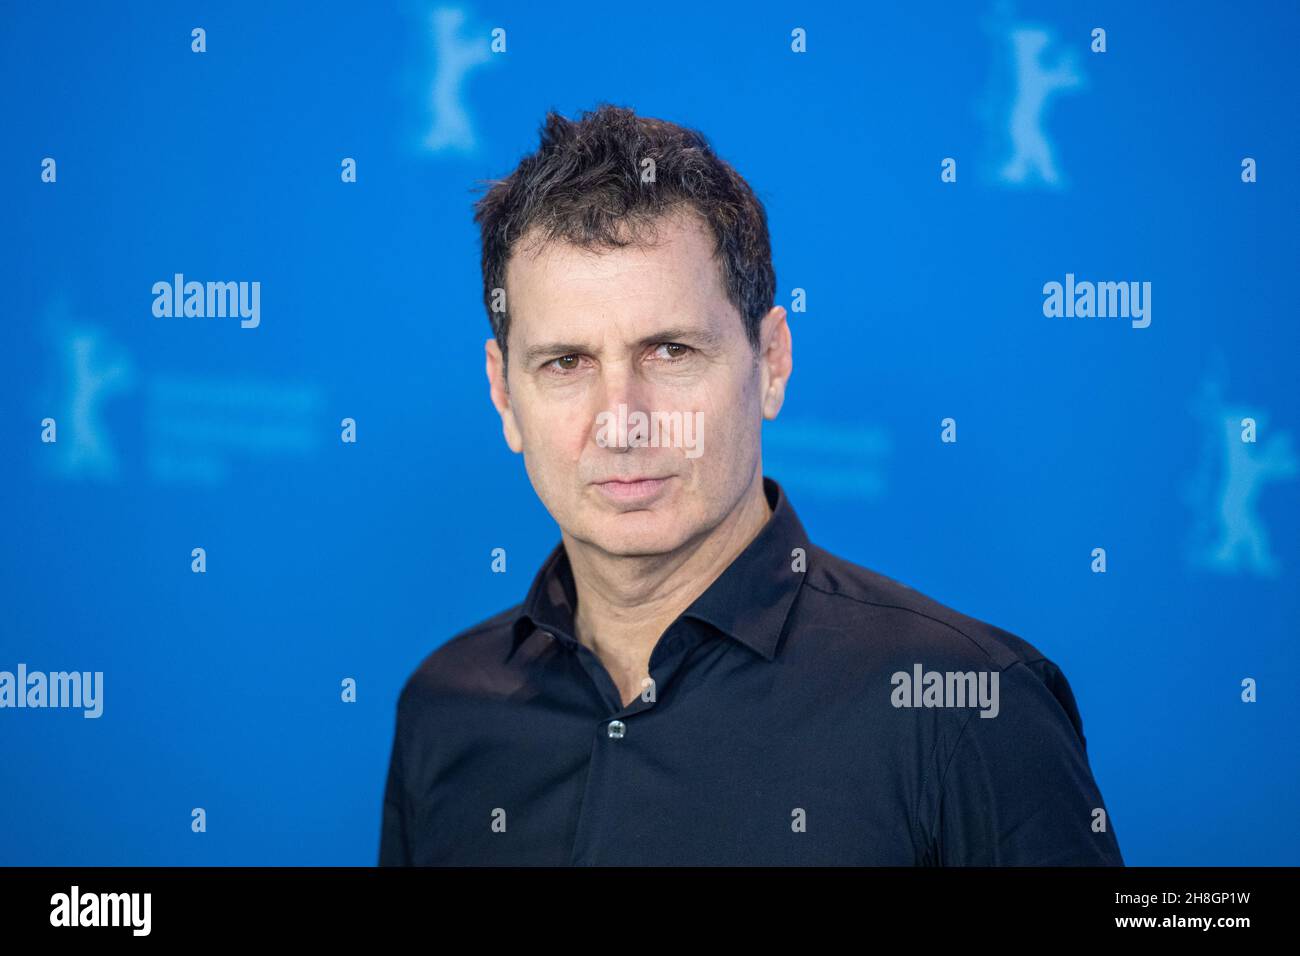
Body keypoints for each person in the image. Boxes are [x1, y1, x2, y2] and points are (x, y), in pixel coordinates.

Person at [379, 104, 1123, 866]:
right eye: (566, 363)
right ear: (505, 396)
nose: (623, 422)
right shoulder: (445, 708)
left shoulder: (968, 708)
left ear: (770, 362)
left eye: (670, 351)